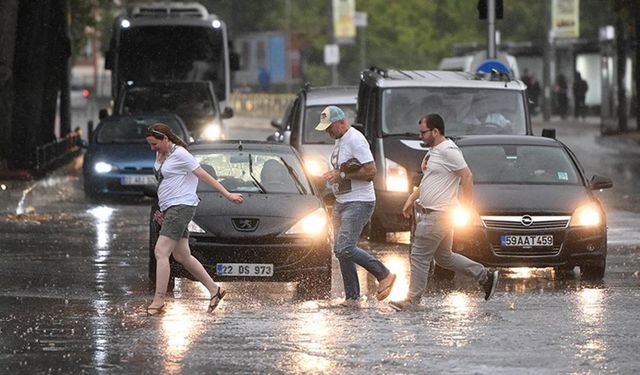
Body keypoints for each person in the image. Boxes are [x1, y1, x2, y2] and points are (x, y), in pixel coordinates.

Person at [390, 114, 498, 311]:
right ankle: (485, 276)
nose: (420, 136)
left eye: (423, 132)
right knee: (444, 257)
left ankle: (412, 301)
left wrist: (468, 206)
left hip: (438, 213)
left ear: (436, 131)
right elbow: (429, 181)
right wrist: (411, 199)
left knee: (419, 255)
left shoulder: (448, 151)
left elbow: (467, 176)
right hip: (439, 214)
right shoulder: (435, 152)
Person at [145, 123, 244, 316]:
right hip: (170, 208)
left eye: (155, 144)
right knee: (182, 256)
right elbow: (167, 184)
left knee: (160, 251)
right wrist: (161, 209)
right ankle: (215, 290)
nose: (152, 148)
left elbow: (204, 176)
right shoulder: (161, 154)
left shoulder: (181, 154)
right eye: (150, 144)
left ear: (166, 139)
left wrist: (228, 194)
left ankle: (158, 301)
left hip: (181, 207)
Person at [315, 106, 396, 305]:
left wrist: (341, 175)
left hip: (359, 201)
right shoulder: (341, 141)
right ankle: (352, 297)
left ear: (341, 122)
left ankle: (384, 273)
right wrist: (330, 178)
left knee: (345, 247)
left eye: (329, 128)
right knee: (340, 251)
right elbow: (343, 170)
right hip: (342, 201)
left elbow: (371, 171)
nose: (328, 132)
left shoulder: (355, 139)